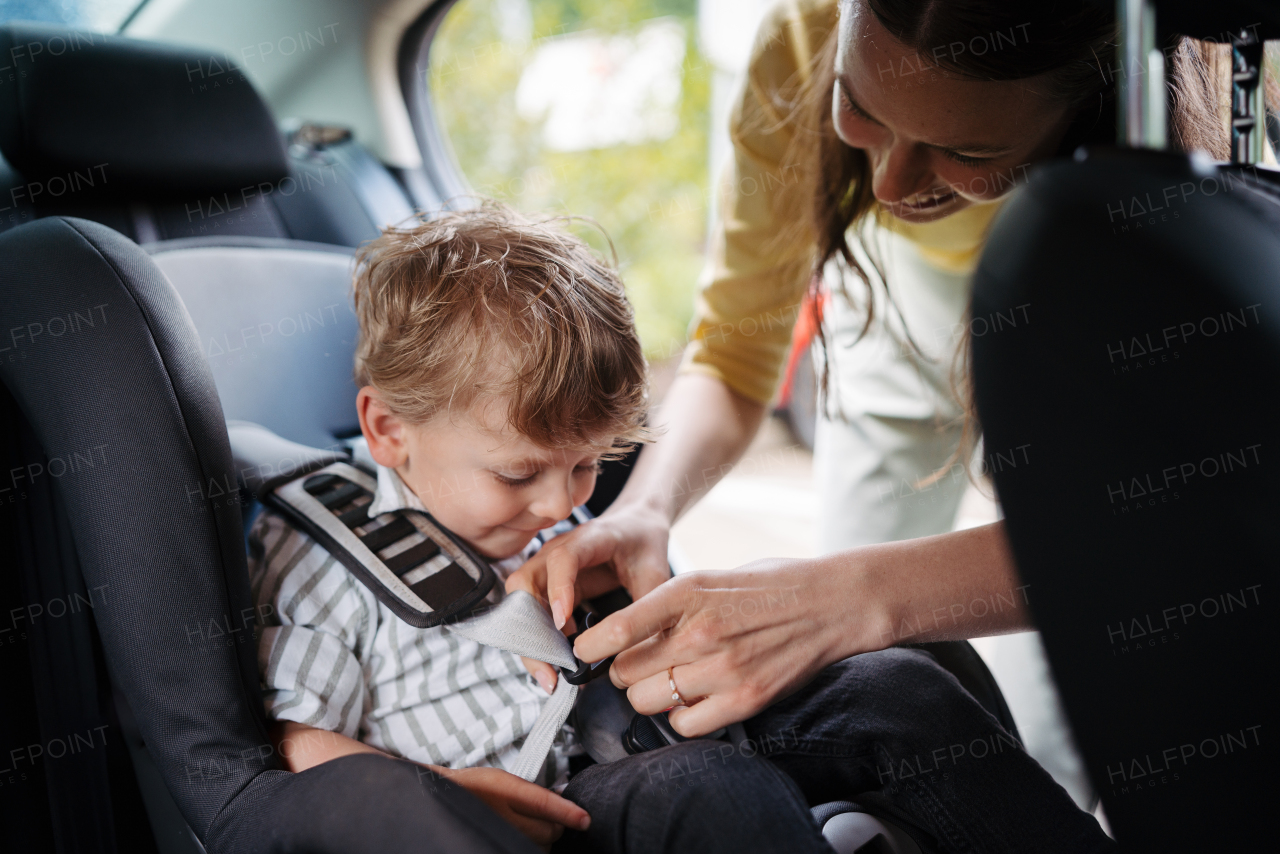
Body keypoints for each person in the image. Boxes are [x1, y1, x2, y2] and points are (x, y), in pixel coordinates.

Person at [506, 0, 1230, 821]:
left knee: (1055, 715)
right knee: (851, 666)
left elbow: (1151, 533)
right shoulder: (804, 36)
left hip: (1074, 353)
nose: (888, 183)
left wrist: (861, 596)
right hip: (886, 329)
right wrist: (644, 509)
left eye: (967, 151)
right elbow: (738, 355)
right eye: (860, 109)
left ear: (1087, 111)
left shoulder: (1162, 197)